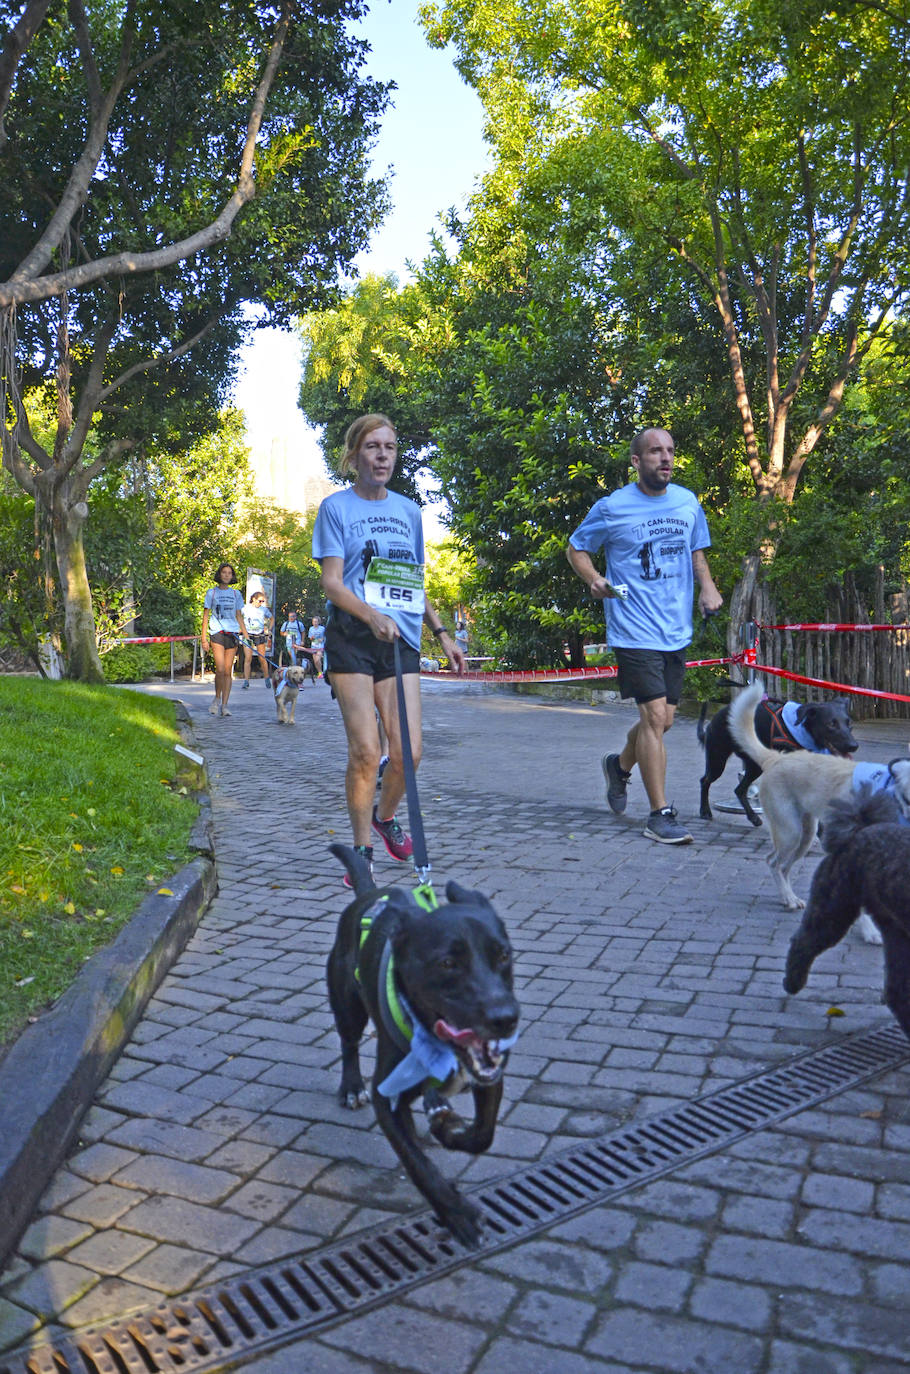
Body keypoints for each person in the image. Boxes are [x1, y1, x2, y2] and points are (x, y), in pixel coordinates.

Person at [312, 413, 466, 883]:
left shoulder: (409, 512)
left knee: (409, 753)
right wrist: (370, 616)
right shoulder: (335, 508)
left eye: (391, 447)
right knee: (365, 751)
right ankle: (362, 853)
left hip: (399, 639)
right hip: (354, 637)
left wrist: (442, 633)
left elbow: (413, 584)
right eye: (373, 447)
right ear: (355, 454)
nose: (383, 455)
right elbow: (332, 584)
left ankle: (385, 815)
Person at [567, 426, 723, 844]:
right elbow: (576, 548)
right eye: (655, 452)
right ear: (636, 461)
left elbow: (697, 551)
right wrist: (594, 578)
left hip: (675, 629)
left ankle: (618, 767)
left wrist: (707, 586)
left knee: (665, 721)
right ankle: (660, 814)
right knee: (654, 718)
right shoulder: (613, 507)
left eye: (670, 450)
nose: (665, 458)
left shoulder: (687, 502)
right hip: (633, 627)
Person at [200, 562, 247, 717]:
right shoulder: (211, 593)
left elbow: (239, 615)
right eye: (224, 572)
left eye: (229, 573)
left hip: (232, 633)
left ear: (232, 576)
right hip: (217, 632)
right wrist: (203, 638)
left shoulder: (236, 594)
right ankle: (216, 699)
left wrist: (246, 635)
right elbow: (206, 615)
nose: (227, 575)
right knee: (219, 669)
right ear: (219, 575)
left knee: (227, 671)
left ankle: (225, 705)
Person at [241, 589, 273, 689]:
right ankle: (246, 681)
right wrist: (240, 628)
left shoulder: (263, 610)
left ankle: (267, 678)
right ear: (254, 599)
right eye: (260, 601)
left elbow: (272, 619)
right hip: (248, 635)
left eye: (263, 601)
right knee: (248, 658)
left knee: (262, 658)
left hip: (260, 634)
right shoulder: (245, 608)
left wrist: (269, 629)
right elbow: (238, 617)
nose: (261, 603)